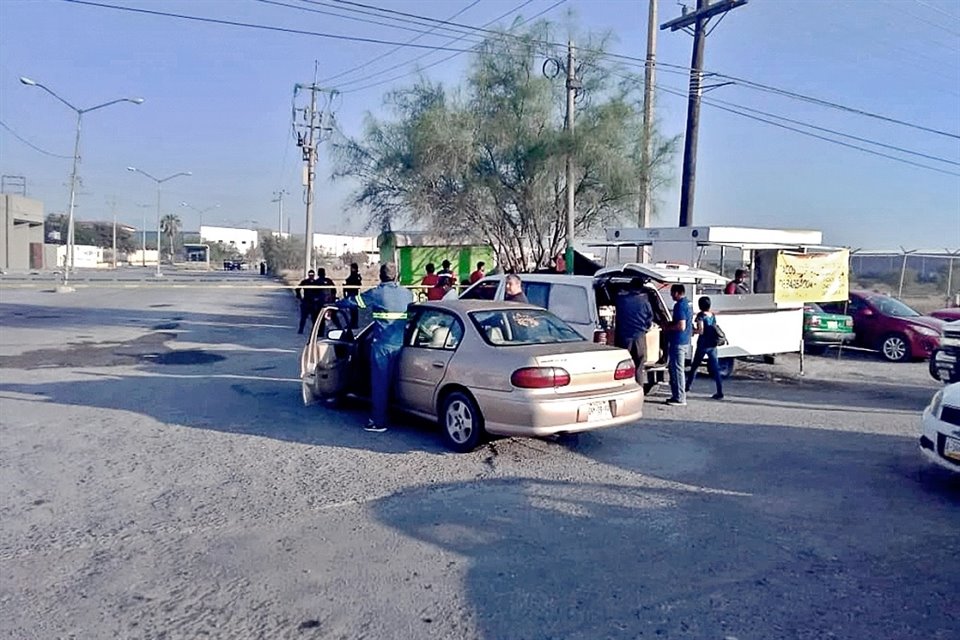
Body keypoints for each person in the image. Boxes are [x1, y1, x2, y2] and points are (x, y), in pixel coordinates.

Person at [337, 262, 414, 433]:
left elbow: (354, 302)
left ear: (380, 275)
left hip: (382, 346)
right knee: (396, 383)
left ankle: (378, 422)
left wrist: (336, 304)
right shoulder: (408, 294)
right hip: (402, 345)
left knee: (380, 384)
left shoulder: (377, 293)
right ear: (397, 276)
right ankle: (395, 415)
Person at [613, 281, 654, 380]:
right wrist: (645, 328)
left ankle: (626, 388)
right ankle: (639, 389)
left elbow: (615, 300)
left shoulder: (622, 300)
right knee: (639, 367)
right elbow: (650, 319)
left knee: (624, 366)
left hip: (624, 338)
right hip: (640, 338)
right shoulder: (645, 302)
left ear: (630, 288)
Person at [686, 296, 724, 400]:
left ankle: (687, 386)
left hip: (703, 344)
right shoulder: (712, 315)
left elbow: (701, 330)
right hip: (712, 344)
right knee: (715, 369)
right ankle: (719, 391)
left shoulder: (700, 316)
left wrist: (692, 331)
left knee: (695, 367)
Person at [663, 283, 693, 406]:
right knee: (675, 369)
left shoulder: (679, 306)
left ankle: (680, 398)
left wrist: (668, 327)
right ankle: (676, 396)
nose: (671, 296)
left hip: (678, 341)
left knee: (677, 370)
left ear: (677, 293)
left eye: (672, 293)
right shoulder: (688, 304)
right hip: (684, 341)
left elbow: (681, 325)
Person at [296, 270, 321, 334]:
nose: (311, 276)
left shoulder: (316, 283)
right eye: (310, 274)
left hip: (314, 303)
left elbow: (320, 292)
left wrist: (317, 298)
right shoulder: (304, 282)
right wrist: (300, 297)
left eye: (312, 274)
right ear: (308, 275)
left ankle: (314, 331)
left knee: (314, 318)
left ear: (314, 275)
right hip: (306, 301)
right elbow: (297, 289)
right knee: (303, 317)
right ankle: (301, 330)